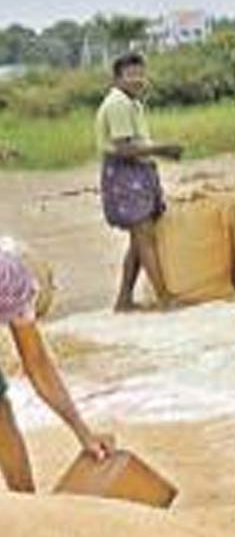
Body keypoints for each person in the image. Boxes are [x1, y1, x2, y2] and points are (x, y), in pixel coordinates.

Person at [0, 240, 114, 491]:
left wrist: (83, 432)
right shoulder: (9, 278)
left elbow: (37, 363)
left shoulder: (9, 279)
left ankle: (26, 510)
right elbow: (36, 363)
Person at [94, 52, 182, 311]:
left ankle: (124, 300)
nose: (138, 79)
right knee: (144, 237)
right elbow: (123, 148)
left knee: (138, 240)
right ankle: (165, 299)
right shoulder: (119, 103)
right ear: (117, 78)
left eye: (141, 73)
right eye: (131, 75)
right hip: (125, 172)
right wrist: (162, 149)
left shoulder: (132, 102)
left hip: (135, 171)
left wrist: (155, 151)